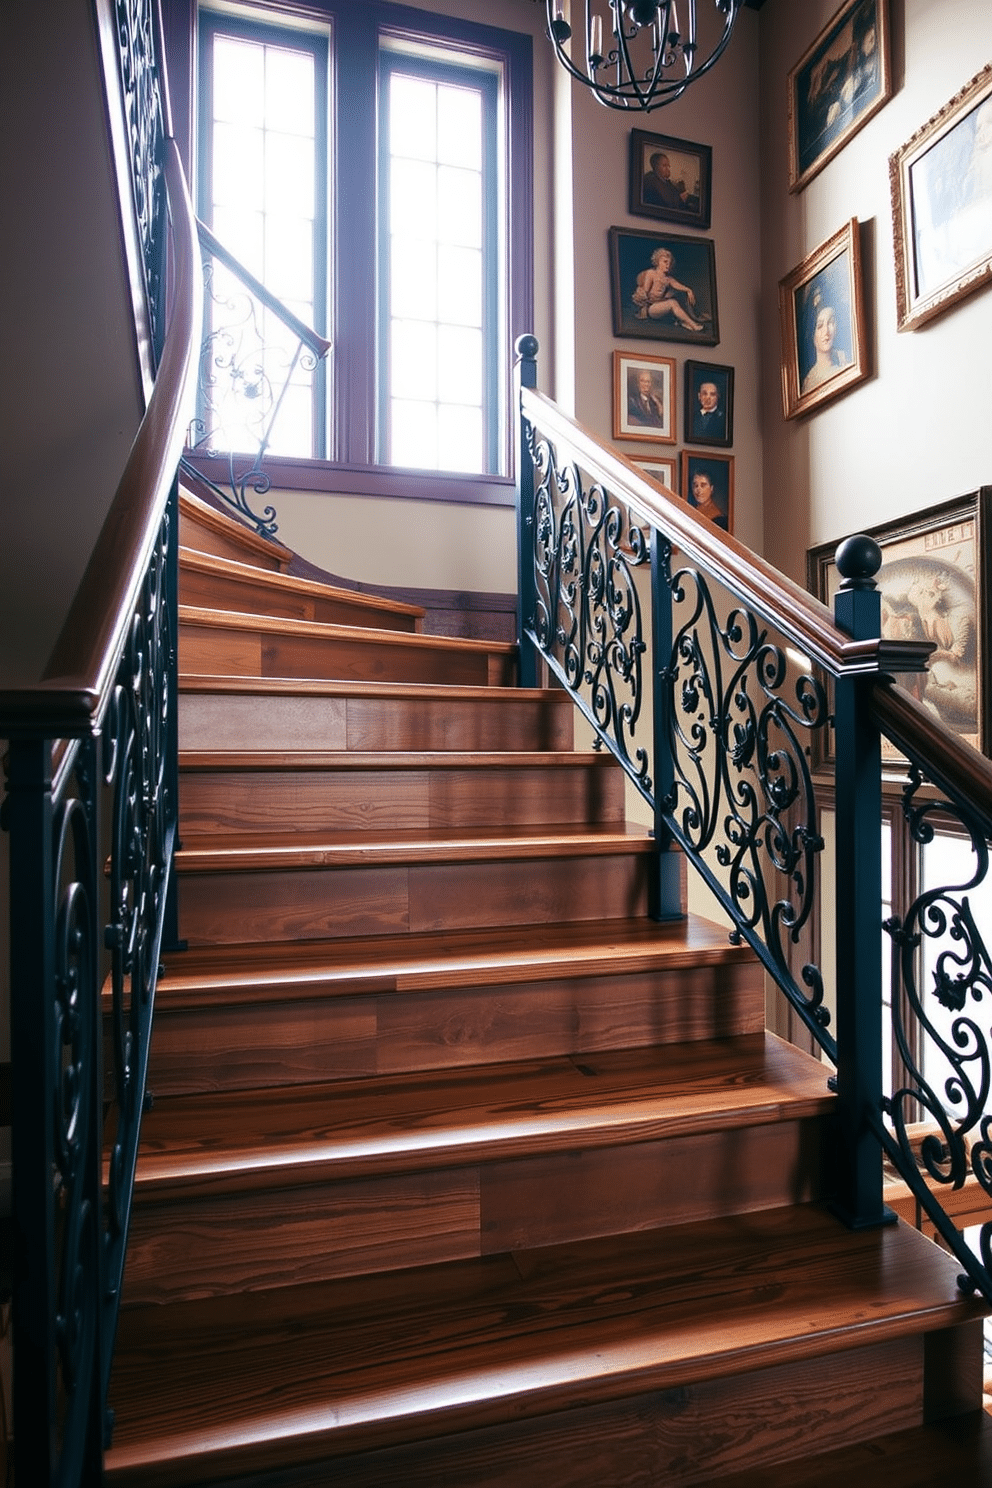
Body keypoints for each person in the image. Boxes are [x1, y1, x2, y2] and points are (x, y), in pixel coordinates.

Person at [632, 247, 706, 332]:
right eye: (665, 262)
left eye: (670, 263)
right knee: (672, 303)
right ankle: (693, 325)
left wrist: (689, 290)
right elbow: (644, 292)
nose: (668, 265)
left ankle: (685, 323)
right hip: (651, 309)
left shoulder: (668, 279)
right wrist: (642, 298)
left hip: (660, 306)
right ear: (657, 262)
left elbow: (678, 285)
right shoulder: (651, 273)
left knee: (676, 299)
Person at [800, 301, 850, 395]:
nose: (826, 331)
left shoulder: (845, 362)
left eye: (830, 322)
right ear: (812, 334)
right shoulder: (810, 382)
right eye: (819, 326)